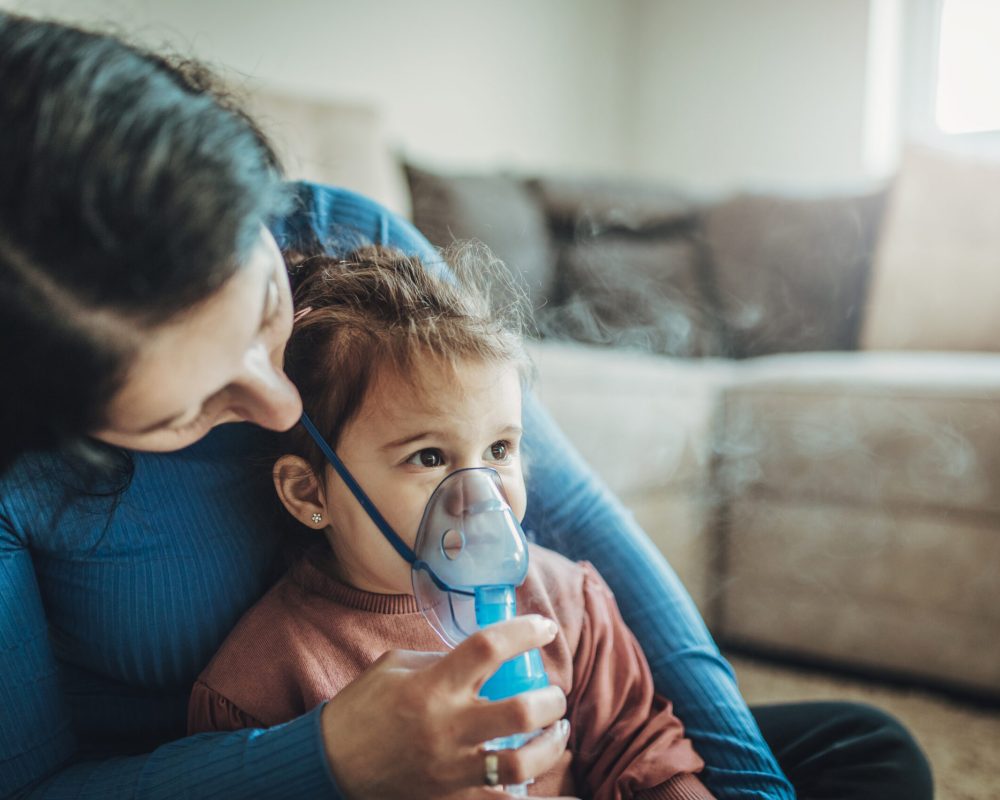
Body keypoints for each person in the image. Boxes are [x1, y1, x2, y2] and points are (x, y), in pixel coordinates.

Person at [0, 12, 932, 800]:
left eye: (268, 313)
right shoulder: (250, 665)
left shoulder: (337, 243)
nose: (281, 401)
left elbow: (586, 539)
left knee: (863, 747)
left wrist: (747, 785)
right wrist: (325, 757)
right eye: (189, 407)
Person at [187, 244, 716, 799]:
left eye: (498, 449)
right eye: (430, 457)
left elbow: (644, 755)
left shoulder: (566, 602)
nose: (476, 495)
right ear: (308, 490)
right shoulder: (264, 678)